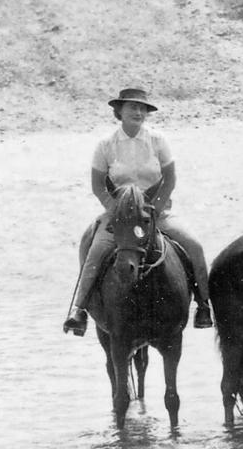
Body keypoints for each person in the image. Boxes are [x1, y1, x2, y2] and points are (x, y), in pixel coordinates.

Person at [63, 88, 213, 336]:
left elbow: (170, 178)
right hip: (119, 217)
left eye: (142, 108)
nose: (138, 112)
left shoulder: (158, 140)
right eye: (132, 107)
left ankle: (204, 305)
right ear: (119, 111)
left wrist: (156, 207)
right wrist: (115, 210)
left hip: (156, 213)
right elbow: (97, 185)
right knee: (95, 251)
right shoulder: (105, 145)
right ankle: (78, 310)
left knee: (194, 246)